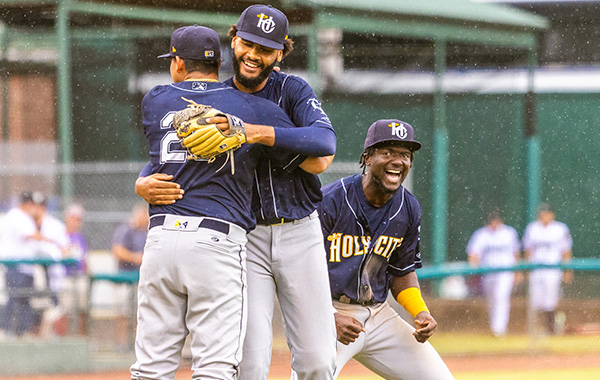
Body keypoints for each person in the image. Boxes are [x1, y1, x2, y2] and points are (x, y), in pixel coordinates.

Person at [136, 5, 338, 379]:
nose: (253, 55)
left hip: (299, 230)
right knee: (248, 363)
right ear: (233, 40)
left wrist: (252, 132)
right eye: (247, 43)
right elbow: (173, 154)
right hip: (246, 237)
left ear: (280, 54)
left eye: (265, 49)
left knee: (318, 361)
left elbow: (324, 148)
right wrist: (142, 180)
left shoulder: (290, 90)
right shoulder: (220, 96)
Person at [314, 119, 454, 379]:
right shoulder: (330, 201)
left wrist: (420, 311)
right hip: (327, 309)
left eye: (405, 154)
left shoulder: (409, 209)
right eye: (387, 152)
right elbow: (300, 272)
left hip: (378, 315)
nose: (397, 160)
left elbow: (401, 272)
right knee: (312, 374)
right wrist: (329, 315)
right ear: (367, 158)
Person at [0, 192, 48, 338]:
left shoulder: (22, 217)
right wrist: (40, 221)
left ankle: (21, 332)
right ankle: (7, 331)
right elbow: (34, 236)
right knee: (16, 299)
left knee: (24, 300)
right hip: (16, 266)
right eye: (34, 205)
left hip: (25, 267)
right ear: (28, 204)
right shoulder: (17, 216)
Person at [466, 210, 521, 337]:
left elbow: (516, 253)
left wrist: (517, 271)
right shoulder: (481, 234)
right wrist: (474, 272)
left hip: (505, 272)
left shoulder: (509, 233)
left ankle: (499, 329)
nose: (494, 223)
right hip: (488, 272)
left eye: (496, 220)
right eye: (492, 221)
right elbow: (473, 254)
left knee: (501, 298)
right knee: (491, 300)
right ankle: (494, 327)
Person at [522, 203, 573, 335]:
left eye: (547, 212)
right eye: (542, 213)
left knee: (550, 300)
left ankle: (551, 328)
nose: (544, 215)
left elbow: (566, 251)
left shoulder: (560, 228)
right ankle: (536, 330)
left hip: (553, 268)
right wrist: (526, 270)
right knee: (535, 300)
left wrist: (567, 270)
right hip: (536, 269)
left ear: (552, 214)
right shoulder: (532, 228)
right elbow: (527, 251)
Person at [111, 203, 148, 350]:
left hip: (143, 281)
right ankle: (122, 345)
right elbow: (117, 250)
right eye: (142, 215)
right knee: (123, 314)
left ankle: (137, 345)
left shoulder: (149, 231)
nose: (144, 219)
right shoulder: (125, 230)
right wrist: (136, 257)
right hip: (125, 279)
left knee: (141, 315)